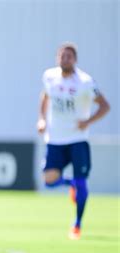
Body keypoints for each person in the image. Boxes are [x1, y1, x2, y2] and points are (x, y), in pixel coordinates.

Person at [37, 43, 110, 240]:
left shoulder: (85, 82)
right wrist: (42, 119)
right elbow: (45, 96)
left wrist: (88, 121)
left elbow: (105, 106)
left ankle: (77, 223)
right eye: (62, 56)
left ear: (74, 60)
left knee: (82, 181)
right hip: (55, 139)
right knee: (49, 180)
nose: (64, 59)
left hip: (78, 139)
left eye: (68, 56)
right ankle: (71, 184)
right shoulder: (49, 77)